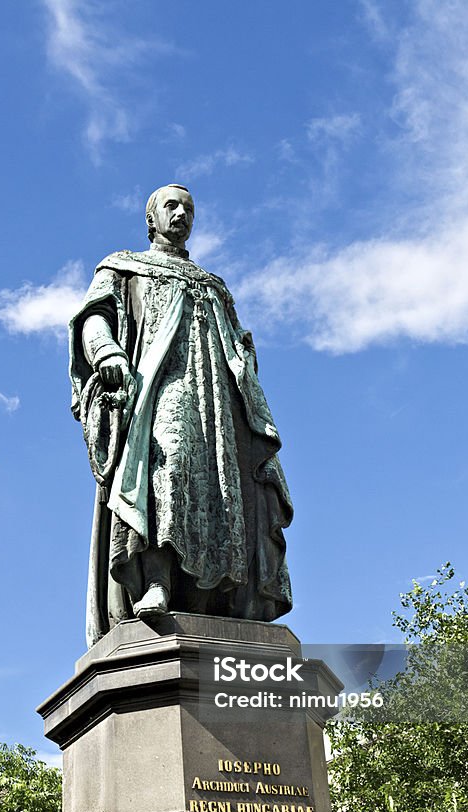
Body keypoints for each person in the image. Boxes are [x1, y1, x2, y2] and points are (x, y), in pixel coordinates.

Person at [69, 184, 293, 647]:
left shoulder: (214, 285)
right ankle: (157, 583)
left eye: (188, 208)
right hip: (159, 389)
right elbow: (93, 317)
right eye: (170, 206)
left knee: (222, 490)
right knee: (165, 469)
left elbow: (239, 343)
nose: (181, 213)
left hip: (218, 401)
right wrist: (106, 350)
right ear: (150, 219)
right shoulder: (124, 266)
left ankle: (218, 600)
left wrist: (246, 363)